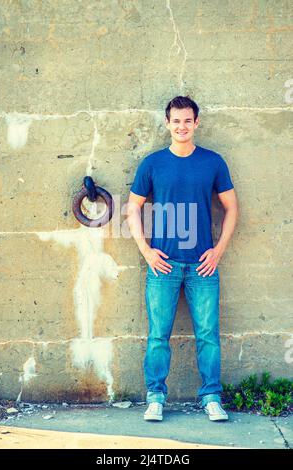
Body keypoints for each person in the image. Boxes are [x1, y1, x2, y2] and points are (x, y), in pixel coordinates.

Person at [127, 95, 238, 422]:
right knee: (158, 335)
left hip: (203, 266)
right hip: (163, 266)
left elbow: (232, 208)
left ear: (196, 123)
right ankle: (156, 397)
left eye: (187, 120)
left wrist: (218, 250)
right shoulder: (152, 164)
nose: (182, 126)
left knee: (208, 335)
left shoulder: (213, 162)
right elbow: (132, 207)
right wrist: (146, 251)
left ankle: (212, 397)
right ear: (167, 124)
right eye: (176, 121)